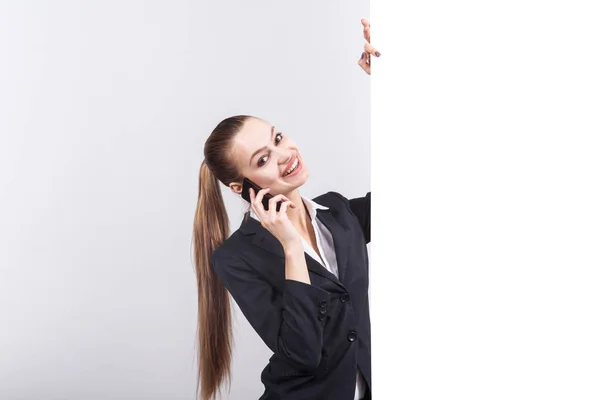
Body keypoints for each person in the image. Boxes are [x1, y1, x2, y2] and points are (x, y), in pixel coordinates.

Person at [192, 19, 380, 400]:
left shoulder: (338, 213)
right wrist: (292, 248)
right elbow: (302, 354)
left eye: (278, 138)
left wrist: (389, 84)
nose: (284, 155)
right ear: (239, 187)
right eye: (263, 160)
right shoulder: (236, 257)